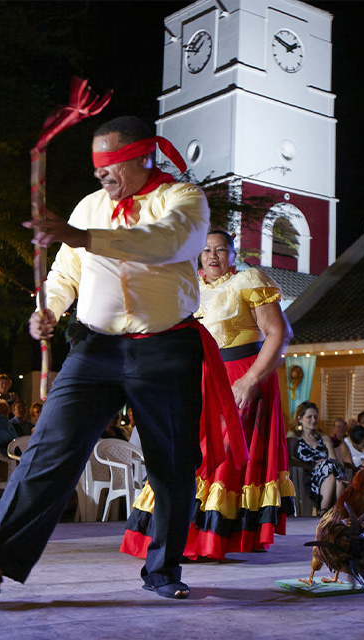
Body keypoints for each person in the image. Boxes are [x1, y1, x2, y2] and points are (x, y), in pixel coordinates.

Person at [0, 116, 225, 600]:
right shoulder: (89, 207)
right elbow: (65, 275)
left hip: (166, 349)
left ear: (144, 156)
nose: (102, 176)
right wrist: (46, 310)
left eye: (112, 165)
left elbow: (172, 242)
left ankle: (164, 570)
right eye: (97, 167)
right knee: (47, 449)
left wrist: (85, 237)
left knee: (171, 465)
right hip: (94, 350)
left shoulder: (183, 199)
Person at [122, 229, 295, 560]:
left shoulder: (248, 281)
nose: (213, 255)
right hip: (201, 379)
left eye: (220, 249)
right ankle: (179, 536)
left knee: (224, 459)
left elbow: (278, 333)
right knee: (192, 455)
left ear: (233, 253)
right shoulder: (190, 288)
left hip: (240, 376)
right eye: (206, 250)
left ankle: (206, 541)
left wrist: (251, 380)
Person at [293, 401, 346, 515]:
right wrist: (312, 466)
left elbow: (332, 458)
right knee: (334, 474)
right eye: (309, 417)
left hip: (327, 472)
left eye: (315, 417)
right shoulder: (294, 437)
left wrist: (323, 464)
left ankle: (326, 512)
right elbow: (290, 459)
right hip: (307, 476)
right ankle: (329, 513)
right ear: (300, 418)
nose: (313, 420)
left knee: (332, 472)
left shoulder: (323, 438)